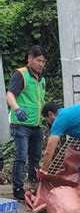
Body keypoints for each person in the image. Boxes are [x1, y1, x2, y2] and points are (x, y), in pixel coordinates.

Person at [6, 45, 47, 200]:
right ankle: (18, 188)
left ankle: (33, 184)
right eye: (38, 61)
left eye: (43, 61)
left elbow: (40, 101)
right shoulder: (21, 74)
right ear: (29, 58)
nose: (41, 64)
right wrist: (17, 109)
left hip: (36, 125)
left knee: (35, 157)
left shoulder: (41, 78)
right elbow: (10, 94)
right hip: (21, 124)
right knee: (21, 156)